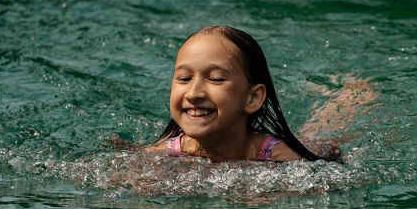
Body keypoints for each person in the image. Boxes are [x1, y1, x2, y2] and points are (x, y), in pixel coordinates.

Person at [146, 25, 367, 161]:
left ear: (253, 98)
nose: (194, 93)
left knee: (322, 139)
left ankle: (353, 94)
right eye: (184, 78)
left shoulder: (281, 159)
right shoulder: (162, 154)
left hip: (298, 146)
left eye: (215, 79)